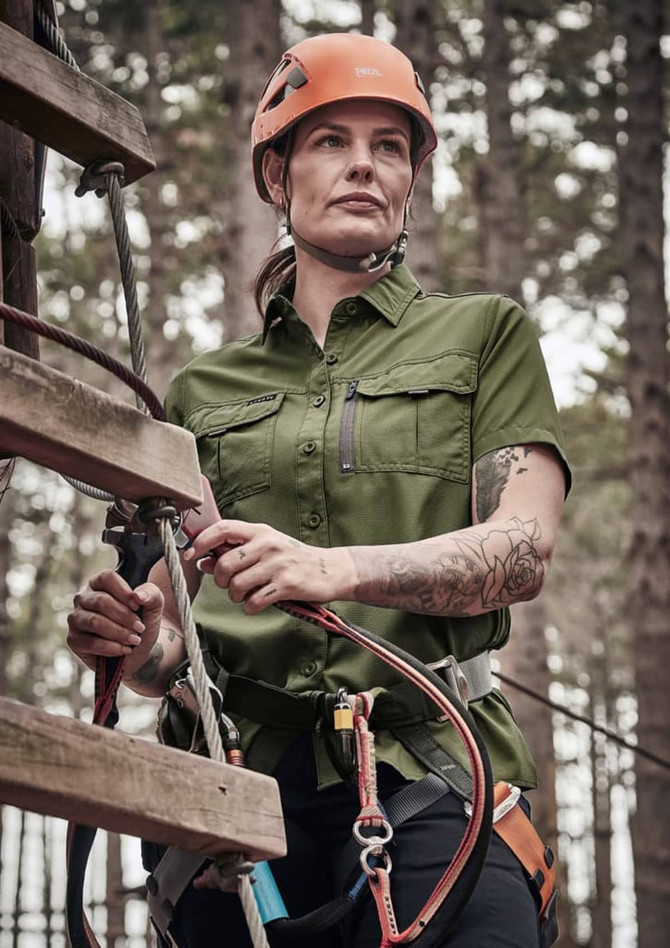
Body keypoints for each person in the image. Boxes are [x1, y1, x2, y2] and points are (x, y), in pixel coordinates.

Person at [67, 32, 570, 948]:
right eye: (332, 141)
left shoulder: (485, 337)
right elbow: (174, 649)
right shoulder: (201, 392)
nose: (364, 166)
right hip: (238, 785)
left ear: (410, 179)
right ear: (277, 173)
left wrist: (332, 569)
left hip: (430, 767)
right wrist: (138, 645)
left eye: (390, 147)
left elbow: (522, 549)